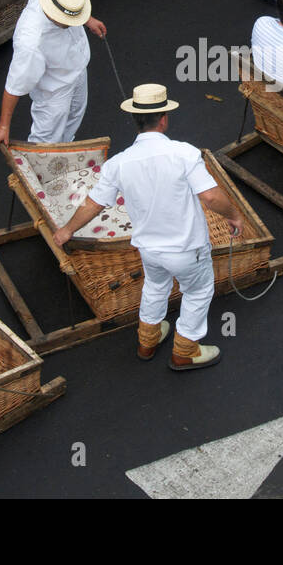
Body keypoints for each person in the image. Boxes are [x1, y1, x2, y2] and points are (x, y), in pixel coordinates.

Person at [53, 84, 244, 371]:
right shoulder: (184, 154)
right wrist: (234, 215)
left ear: (135, 119)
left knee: (155, 287)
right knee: (198, 291)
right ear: (164, 118)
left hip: (150, 250)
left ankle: (147, 340)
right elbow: (211, 196)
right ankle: (185, 351)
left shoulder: (118, 163)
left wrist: (66, 230)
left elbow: (93, 204)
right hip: (186, 248)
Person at [0, 0, 107, 148]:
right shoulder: (31, 42)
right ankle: (38, 170)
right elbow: (14, 85)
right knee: (46, 138)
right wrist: (3, 125)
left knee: (74, 116)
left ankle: (64, 152)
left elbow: (72, 5)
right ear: (53, 14)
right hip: (54, 89)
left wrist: (87, 19)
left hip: (77, 68)